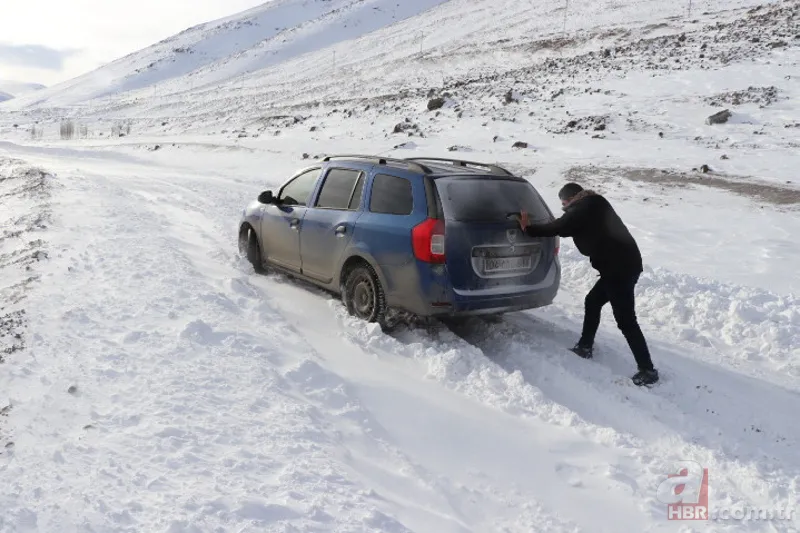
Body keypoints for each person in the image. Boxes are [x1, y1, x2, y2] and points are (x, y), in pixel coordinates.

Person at [518, 182, 659, 386]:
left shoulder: (584, 208)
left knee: (626, 321)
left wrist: (529, 229)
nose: (564, 206)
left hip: (619, 270)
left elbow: (561, 226)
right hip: (620, 266)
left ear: (571, 198)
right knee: (592, 301)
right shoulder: (594, 203)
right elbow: (570, 224)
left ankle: (647, 370)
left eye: (564, 203)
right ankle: (585, 346)